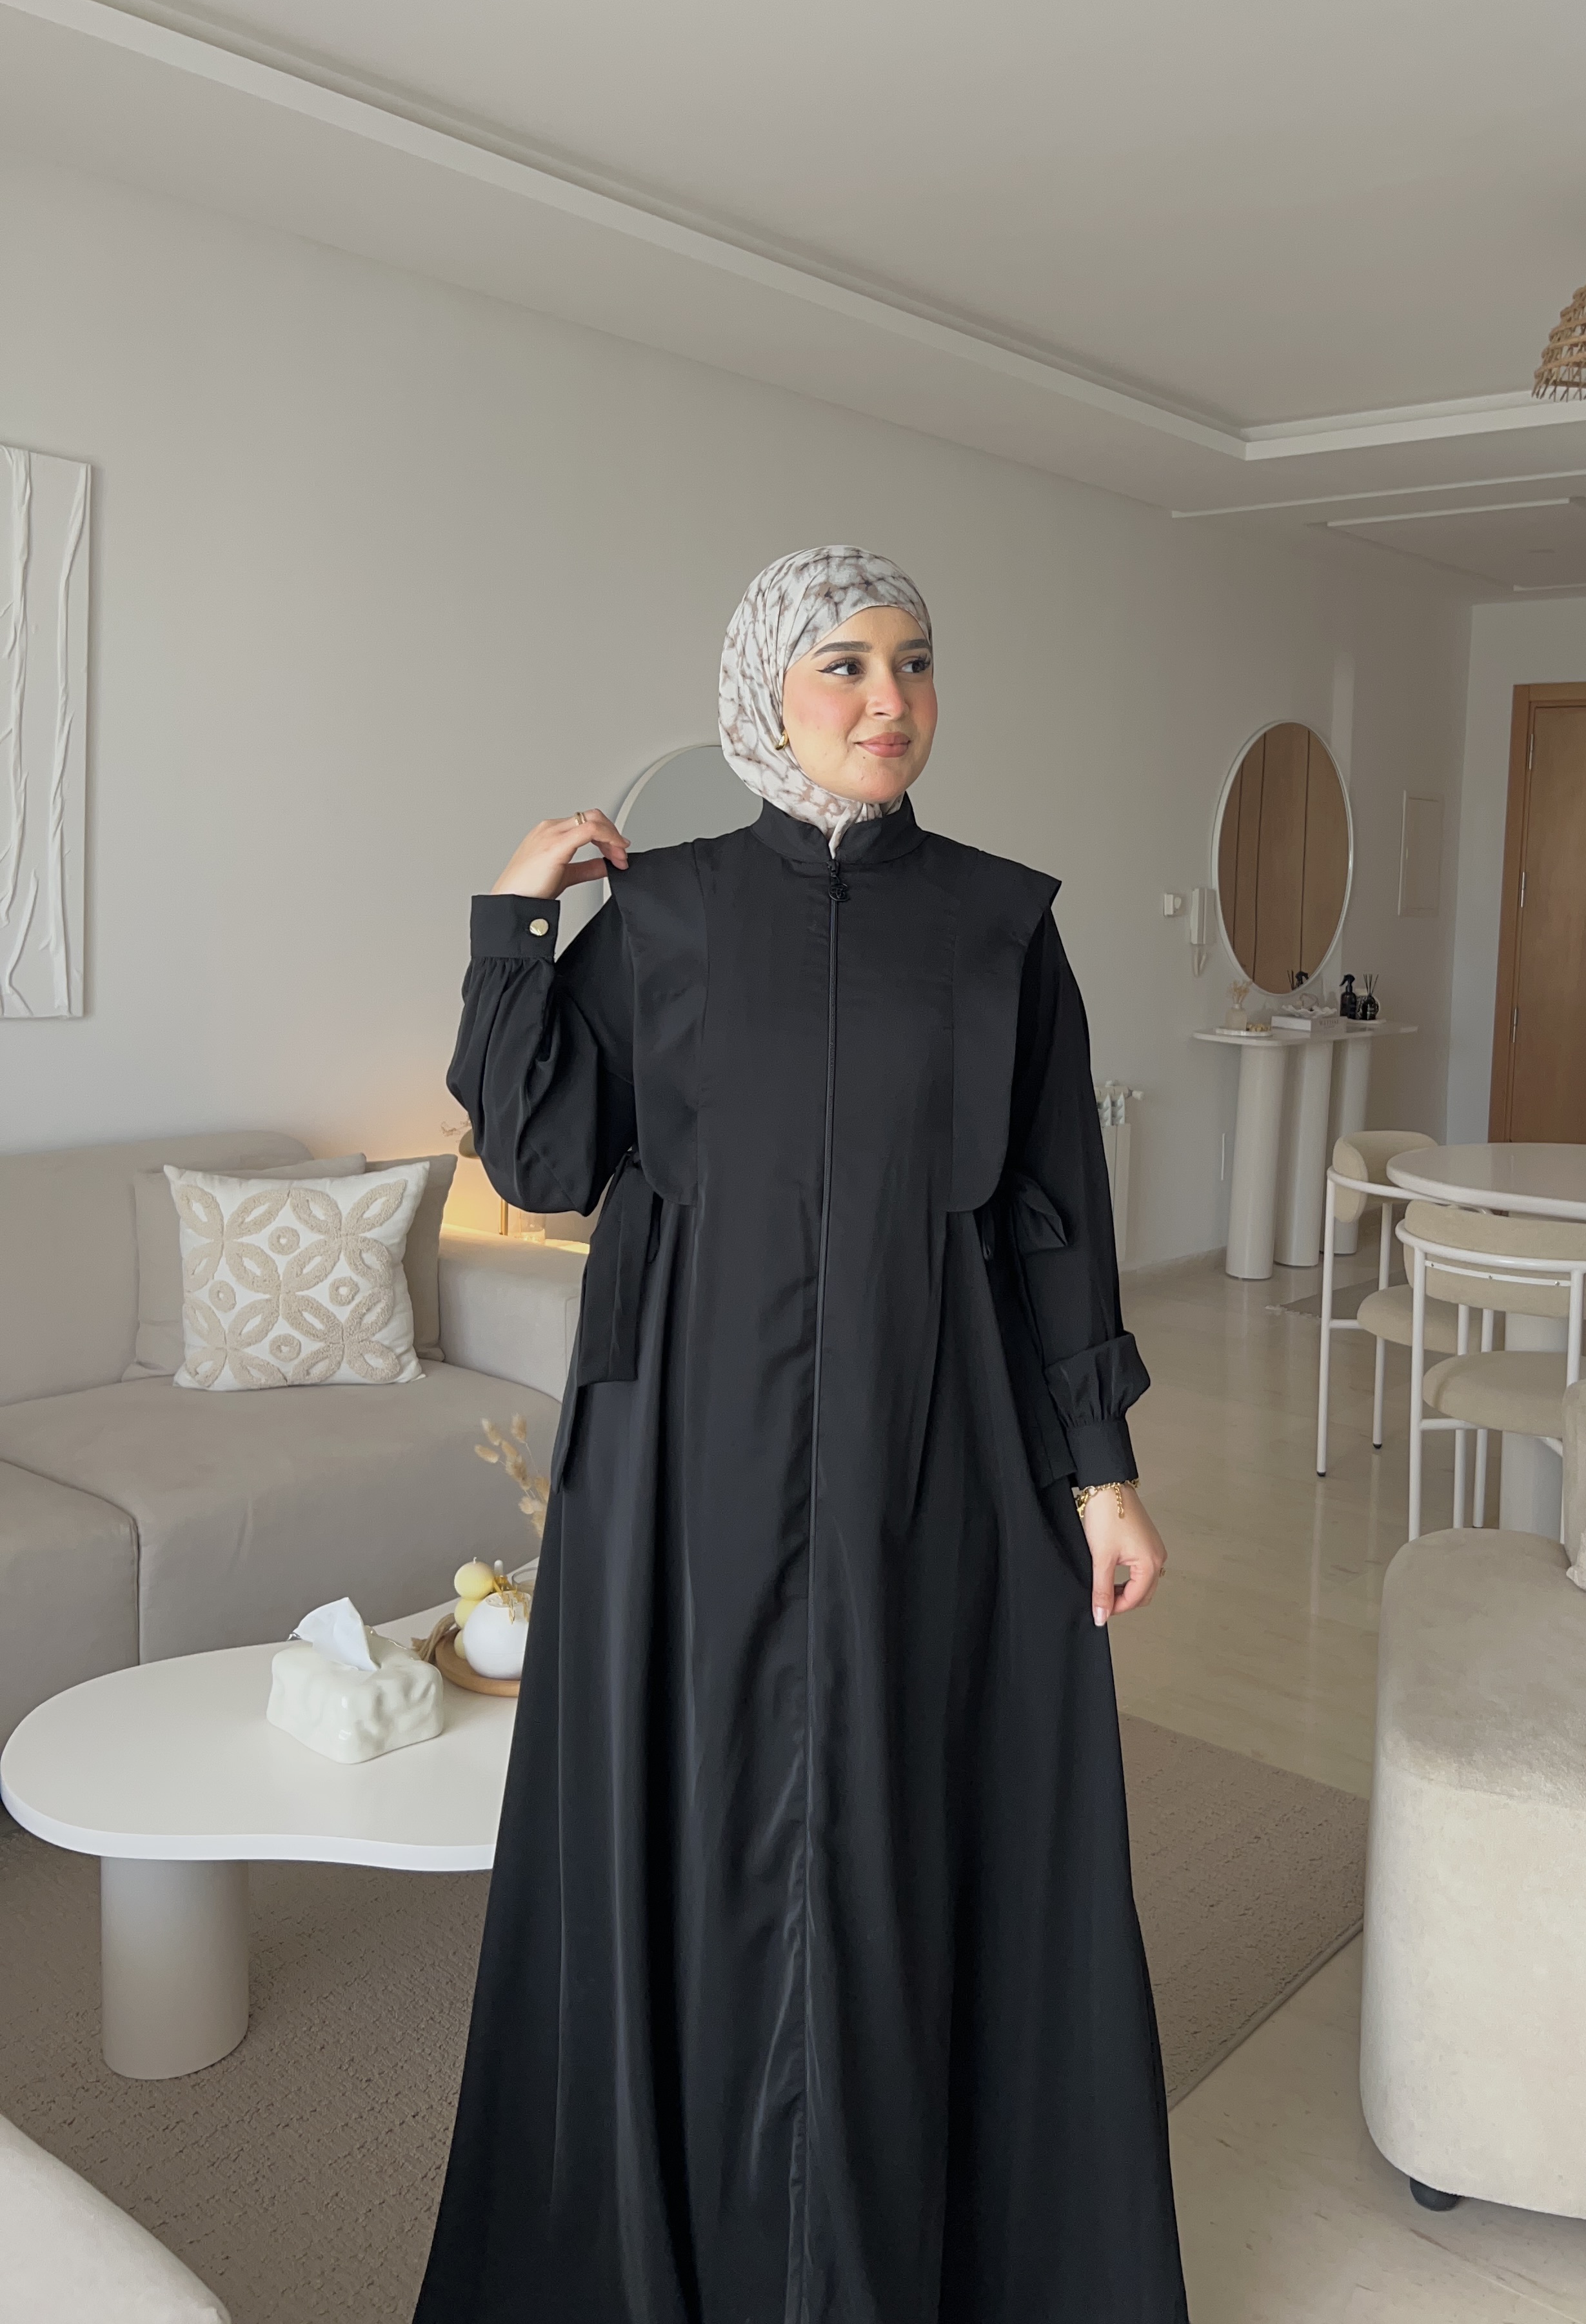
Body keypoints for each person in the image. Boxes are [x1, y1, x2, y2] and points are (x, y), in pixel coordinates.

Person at [415, 547, 1187, 2324]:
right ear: (767, 689)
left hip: (940, 1435)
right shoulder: (669, 914)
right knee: (696, 1823)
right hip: (690, 1444)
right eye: (843, 664)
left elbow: (1057, 1214)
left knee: (912, 1814)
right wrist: (513, 926)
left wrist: (1104, 1470)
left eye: (914, 663)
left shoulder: (1002, 926)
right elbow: (542, 1158)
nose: (888, 701)